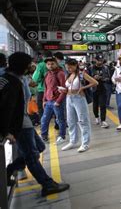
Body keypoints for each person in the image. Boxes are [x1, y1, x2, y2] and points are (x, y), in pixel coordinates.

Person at [1, 52, 70, 197]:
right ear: (22, 66)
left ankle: (9, 170)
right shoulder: (11, 82)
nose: (32, 66)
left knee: (39, 147)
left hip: (24, 121)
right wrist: (6, 131)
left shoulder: (17, 78)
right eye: (29, 63)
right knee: (32, 155)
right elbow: (6, 108)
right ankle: (47, 184)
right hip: (20, 125)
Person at [59, 59, 97, 153]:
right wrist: (64, 90)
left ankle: (85, 143)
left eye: (71, 67)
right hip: (69, 98)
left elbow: (95, 82)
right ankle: (73, 141)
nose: (69, 69)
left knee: (83, 121)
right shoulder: (68, 75)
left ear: (76, 65)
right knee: (71, 121)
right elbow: (69, 87)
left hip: (79, 98)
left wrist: (83, 87)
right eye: (67, 67)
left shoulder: (81, 74)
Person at [40, 57, 67, 144]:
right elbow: (46, 88)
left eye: (52, 64)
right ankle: (44, 136)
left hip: (57, 102)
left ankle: (62, 136)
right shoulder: (47, 74)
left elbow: (64, 89)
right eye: (48, 64)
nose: (50, 65)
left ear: (56, 64)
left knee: (60, 120)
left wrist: (58, 101)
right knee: (44, 120)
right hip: (48, 101)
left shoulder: (60, 74)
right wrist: (44, 100)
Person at [89, 55, 111, 128]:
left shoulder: (105, 68)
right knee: (95, 105)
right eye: (98, 60)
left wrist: (102, 78)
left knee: (103, 105)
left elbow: (108, 78)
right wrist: (93, 78)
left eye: (101, 60)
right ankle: (96, 117)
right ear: (95, 60)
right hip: (94, 89)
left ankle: (103, 120)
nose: (100, 61)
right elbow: (87, 78)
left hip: (103, 88)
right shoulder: (91, 68)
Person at [32, 51, 53, 120]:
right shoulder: (56, 64)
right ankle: (56, 121)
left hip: (42, 89)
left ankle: (43, 120)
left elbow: (36, 78)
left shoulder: (41, 65)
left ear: (43, 57)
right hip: (54, 89)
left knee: (40, 106)